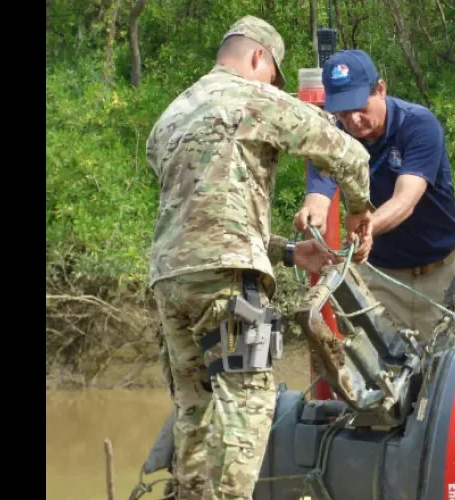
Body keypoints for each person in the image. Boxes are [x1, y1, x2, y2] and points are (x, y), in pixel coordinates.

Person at [145, 16, 374, 500]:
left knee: (193, 407)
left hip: (168, 281)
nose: (274, 86)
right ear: (258, 59)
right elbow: (348, 154)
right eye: (273, 75)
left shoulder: (169, 118)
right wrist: (358, 211)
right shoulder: (255, 97)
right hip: (228, 279)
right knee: (247, 401)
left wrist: (290, 252)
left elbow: (200, 220)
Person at [293, 49, 455, 349]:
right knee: (382, 382)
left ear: (380, 89)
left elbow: (405, 200)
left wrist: (368, 227)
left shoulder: (417, 125)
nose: (353, 120)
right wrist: (311, 214)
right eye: (343, 113)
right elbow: (319, 192)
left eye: (359, 107)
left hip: (442, 275)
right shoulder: (334, 137)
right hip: (380, 280)